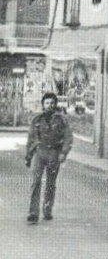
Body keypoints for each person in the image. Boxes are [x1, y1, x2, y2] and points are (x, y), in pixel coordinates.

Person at [25, 92, 73, 224]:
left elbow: (68, 137)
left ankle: (47, 209)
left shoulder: (62, 120)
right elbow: (31, 138)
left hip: (54, 153)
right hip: (39, 152)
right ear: (43, 104)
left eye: (52, 103)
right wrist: (28, 156)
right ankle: (33, 213)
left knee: (51, 184)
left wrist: (64, 152)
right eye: (47, 103)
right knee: (36, 182)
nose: (49, 106)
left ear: (55, 104)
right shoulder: (37, 120)